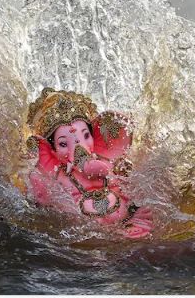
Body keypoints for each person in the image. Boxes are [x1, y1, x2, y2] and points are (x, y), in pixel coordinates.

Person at [25, 88, 153, 238]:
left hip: (126, 223)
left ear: (96, 136)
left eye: (86, 135)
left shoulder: (110, 161)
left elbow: (133, 190)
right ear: (51, 151)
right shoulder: (55, 177)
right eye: (64, 144)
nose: (79, 147)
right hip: (84, 234)